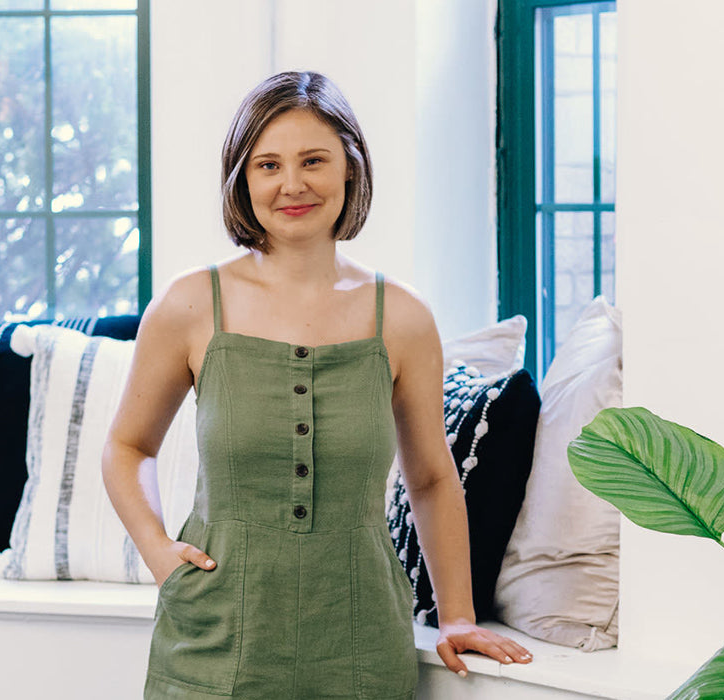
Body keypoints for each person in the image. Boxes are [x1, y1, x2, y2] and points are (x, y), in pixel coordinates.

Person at [101, 70, 532, 699]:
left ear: (350, 169)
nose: (292, 184)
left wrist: (458, 613)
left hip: (360, 645)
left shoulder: (402, 317)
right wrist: (159, 553)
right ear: (241, 180)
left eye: (313, 161)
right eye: (268, 165)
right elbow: (126, 447)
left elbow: (433, 478)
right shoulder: (192, 304)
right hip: (212, 643)